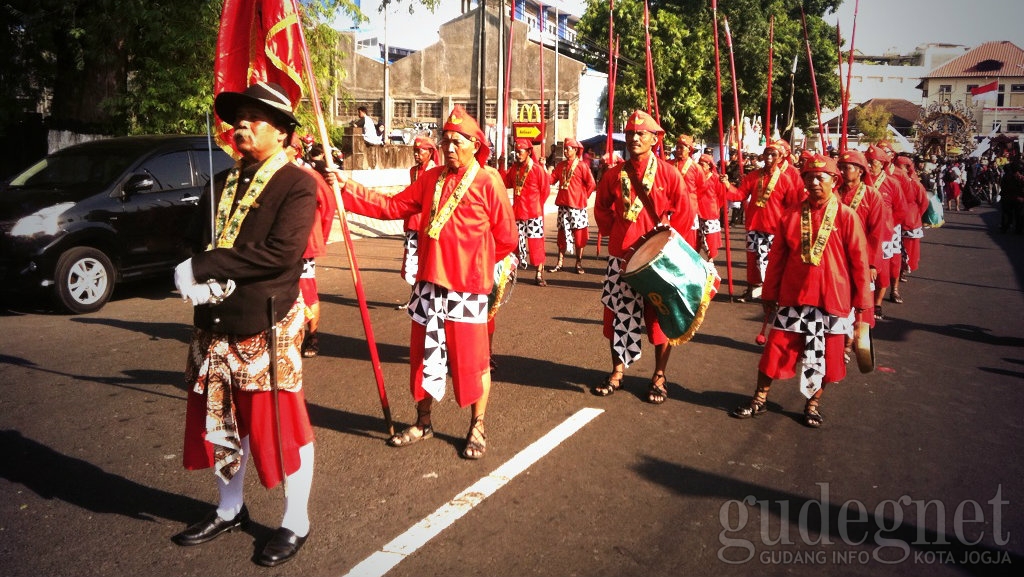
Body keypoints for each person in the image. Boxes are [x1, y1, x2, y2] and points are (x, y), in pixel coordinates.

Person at [170, 81, 317, 567]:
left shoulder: (298, 183)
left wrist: (207, 267)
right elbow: (196, 241)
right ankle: (230, 507)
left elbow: (281, 254)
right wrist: (187, 268)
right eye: (238, 117)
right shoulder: (223, 179)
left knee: (282, 426)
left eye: (254, 118)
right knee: (221, 418)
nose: (241, 126)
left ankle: (297, 519)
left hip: (266, 320)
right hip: (215, 321)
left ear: (282, 131)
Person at [327, 105, 517, 459]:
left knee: (473, 362)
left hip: (468, 289)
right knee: (423, 357)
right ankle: (423, 421)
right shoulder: (430, 180)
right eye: (445, 141)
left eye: (457, 141)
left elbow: (506, 239)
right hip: (428, 285)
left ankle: (478, 425)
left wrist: (474, 265)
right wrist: (347, 186)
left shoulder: (489, 180)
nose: (449, 148)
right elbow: (391, 206)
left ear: (475, 144)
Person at [730, 152, 872, 428]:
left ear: (835, 180)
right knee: (775, 351)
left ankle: (813, 404)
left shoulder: (847, 217)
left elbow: (860, 265)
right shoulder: (791, 215)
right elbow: (777, 260)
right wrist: (769, 294)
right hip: (795, 297)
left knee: (826, 359)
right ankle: (759, 399)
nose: (815, 182)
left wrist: (862, 311)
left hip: (834, 300)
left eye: (821, 177)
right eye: (809, 177)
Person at [592, 110, 698, 405]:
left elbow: (685, 212)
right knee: (618, 316)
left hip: (657, 261)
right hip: (621, 259)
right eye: (629, 134)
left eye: (641, 134)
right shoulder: (614, 173)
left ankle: (659, 377)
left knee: (660, 319)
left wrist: (670, 247)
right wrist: (615, 233)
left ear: (655, 139)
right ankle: (616, 372)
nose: (634, 138)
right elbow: (601, 208)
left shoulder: (668, 173)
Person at [721, 140, 805, 302]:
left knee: (772, 261)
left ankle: (773, 292)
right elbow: (739, 196)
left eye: (773, 155)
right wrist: (726, 185)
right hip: (754, 225)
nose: (769, 158)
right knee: (752, 259)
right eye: (766, 154)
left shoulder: (786, 179)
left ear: (780, 158)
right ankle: (752, 289)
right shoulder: (753, 176)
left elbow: (793, 206)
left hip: (775, 228)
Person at [286, 134, 338, 358]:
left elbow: (328, 206)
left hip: (304, 247)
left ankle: (312, 335)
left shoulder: (308, 176)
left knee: (307, 292)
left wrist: (320, 238)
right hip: (277, 249)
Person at [836, 149, 885, 332]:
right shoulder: (833, 193)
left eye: (846, 168)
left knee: (861, 295)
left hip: (861, 256)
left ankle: (858, 334)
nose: (841, 171)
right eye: (839, 167)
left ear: (860, 170)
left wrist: (872, 264)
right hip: (837, 253)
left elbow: (876, 233)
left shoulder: (872, 196)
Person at [502, 138, 551, 286]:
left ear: (529, 152)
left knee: (536, 244)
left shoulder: (537, 170)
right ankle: (511, 271)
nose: (517, 154)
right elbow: (505, 182)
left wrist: (536, 205)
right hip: (517, 212)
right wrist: (500, 165)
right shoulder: (514, 169)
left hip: (533, 214)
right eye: (516, 151)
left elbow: (545, 191)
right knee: (514, 244)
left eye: (520, 152)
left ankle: (539, 273)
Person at [864, 144, 907, 311]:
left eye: (872, 162)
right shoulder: (862, 181)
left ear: (882, 163)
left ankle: (878, 304)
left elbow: (901, 210)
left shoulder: (893, 183)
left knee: (882, 268)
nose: (868, 165)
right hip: (864, 232)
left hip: (886, 233)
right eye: (867, 161)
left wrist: (887, 225)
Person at [398, 135, 441, 296]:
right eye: (414, 151)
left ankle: (428, 297)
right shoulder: (413, 171)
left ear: (430, 152)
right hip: (412, 222)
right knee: (412, 260)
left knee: (427, 261)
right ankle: (413, 297)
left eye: (420, 151)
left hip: (427, 224)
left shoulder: (436, 171)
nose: (416, 155)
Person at [548, 137, 596, 274]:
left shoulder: (582, 166)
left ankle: (578, 263)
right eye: (565, 148)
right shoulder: (561, 165)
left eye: (568, 148)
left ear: (575, 150)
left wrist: (583, 197)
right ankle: (559, 263)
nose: (565, 151)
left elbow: (591, 184)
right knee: (562, 234)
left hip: (577, 206)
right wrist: (542, 169)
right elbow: (551, 180)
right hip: (563, 206)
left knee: (580, 235)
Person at [893, 155, 929, 285]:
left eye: (901, 167)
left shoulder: (914, 183)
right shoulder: (892, 180)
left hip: (910, 220)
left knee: (908, 248)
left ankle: (902, 271)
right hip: (897, 218)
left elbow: (923, 201)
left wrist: (916, 214)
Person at [696, 153, 725, 260]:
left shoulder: (716, 178)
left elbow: (721, 197)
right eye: (699, 164)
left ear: (709, 166)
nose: (700, 166)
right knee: (696, 239)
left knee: (710, 241)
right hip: (697, 212)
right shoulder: (697, 176)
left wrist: (714, 208)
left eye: (702, 164)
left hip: (710, 213)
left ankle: (711, 261)